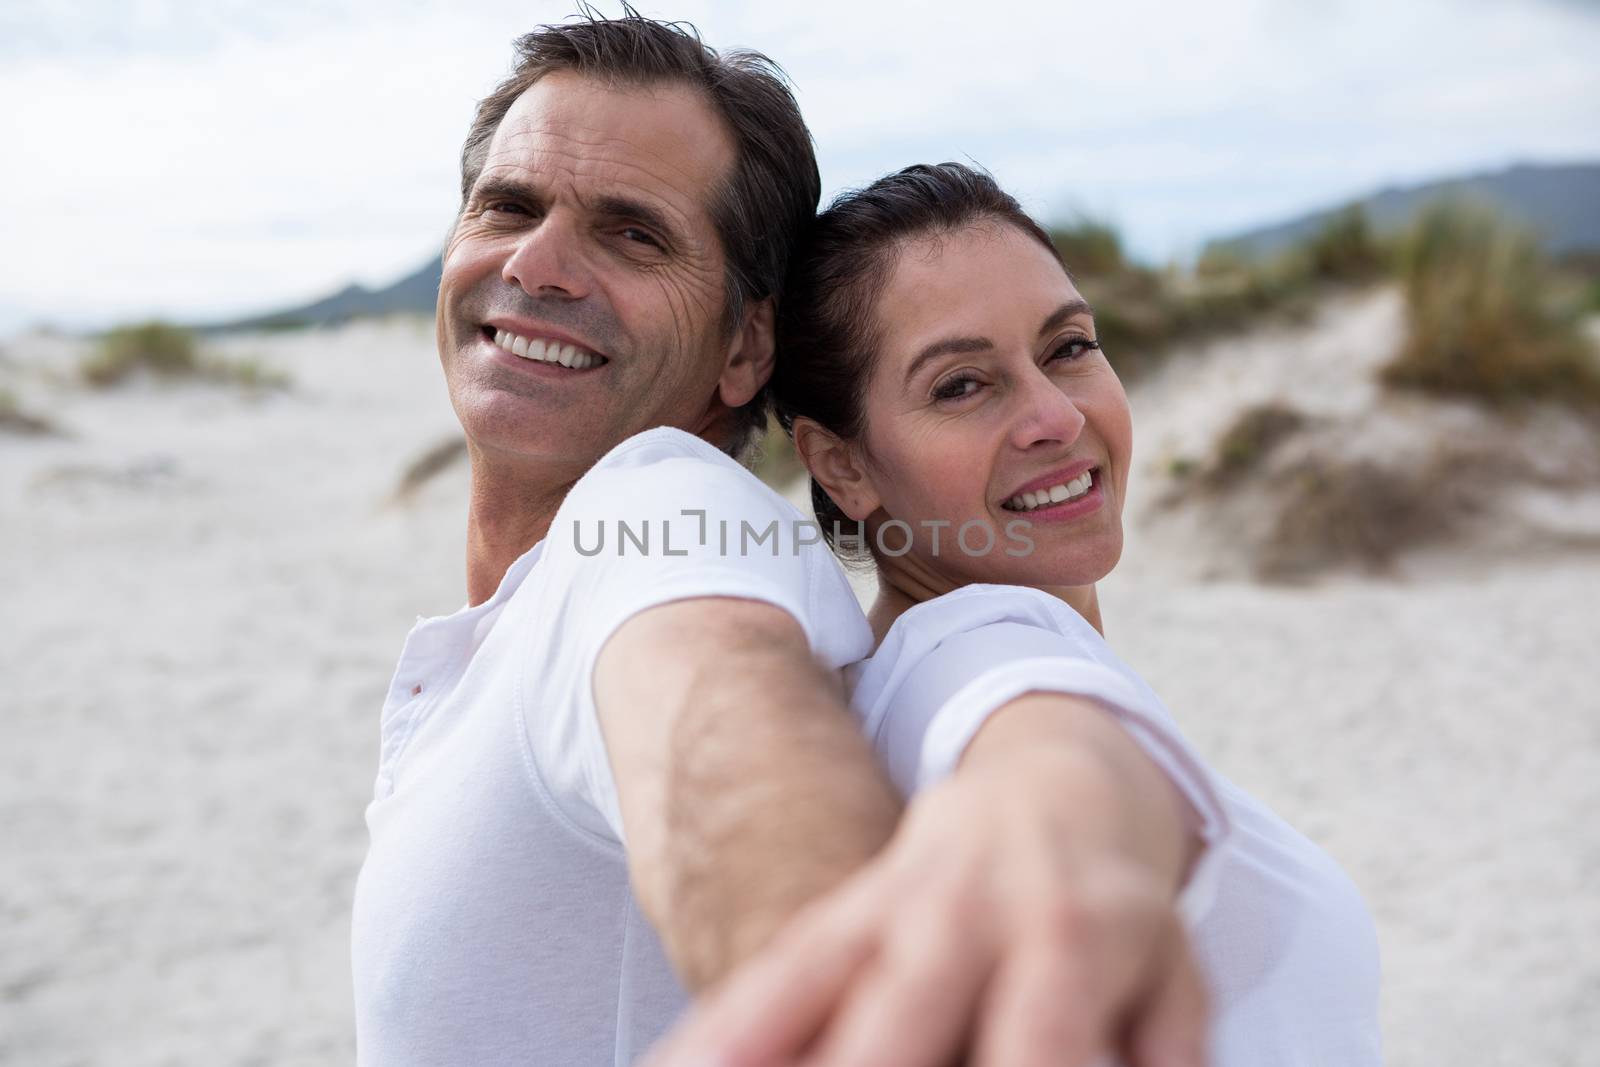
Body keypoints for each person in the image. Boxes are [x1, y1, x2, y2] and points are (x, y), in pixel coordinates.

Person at [352, 13, 1226, 1066]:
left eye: (633, 232)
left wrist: (847, 954)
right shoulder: (533, 609)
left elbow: (715, 704)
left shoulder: (662, 508)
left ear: (742, 345)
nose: (539, 264)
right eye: (509, 205)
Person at [649, 164, 1383, 1067]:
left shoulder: (891, 673)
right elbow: (1038, 750)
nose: (1052, 415)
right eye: (961, 385)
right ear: (841, 466)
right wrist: (1054, 812)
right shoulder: (968, 650)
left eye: (1069, 346)